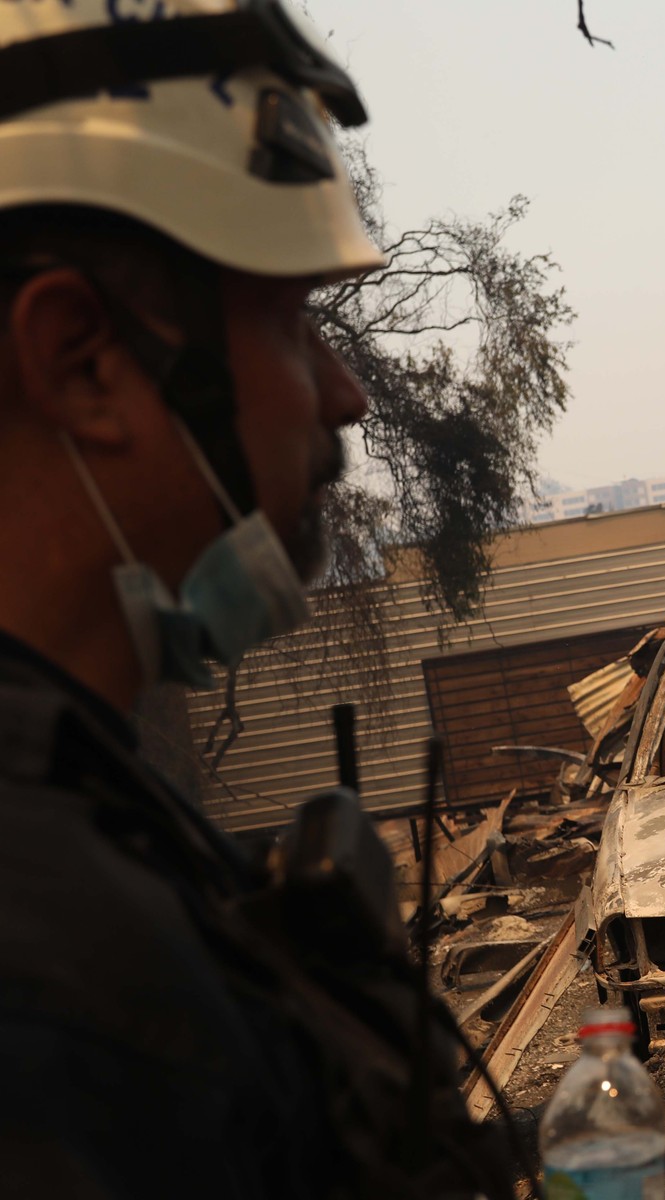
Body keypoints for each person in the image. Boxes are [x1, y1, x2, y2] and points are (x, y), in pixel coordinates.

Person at [0, 5, 517, 1195]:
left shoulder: (90, 806)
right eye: (290, 321)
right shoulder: (52, 972)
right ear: (83, 363)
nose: (347, 397)